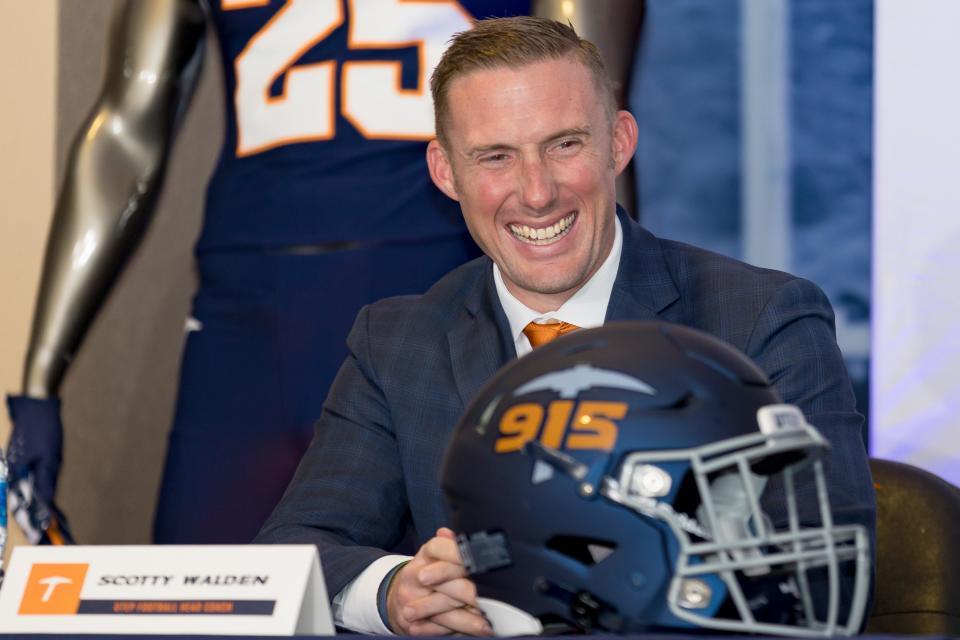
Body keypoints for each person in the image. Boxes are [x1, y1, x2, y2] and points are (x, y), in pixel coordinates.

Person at [255, 15, 876, 636]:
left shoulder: (763, 319)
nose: (536, 193)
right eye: (496, 156)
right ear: (446, 172)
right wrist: (397, 592)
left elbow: (829, 572)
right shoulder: (397, 342)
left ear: (619, 142)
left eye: (565, 145)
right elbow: (299, 546)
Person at [8, 0, 650, 545]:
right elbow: (125, 127)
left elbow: (587, 139)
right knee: (201, 603)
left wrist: (607, 355)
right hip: (246, 314)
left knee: (454, 599)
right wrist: (39, 384)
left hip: (442, 296)